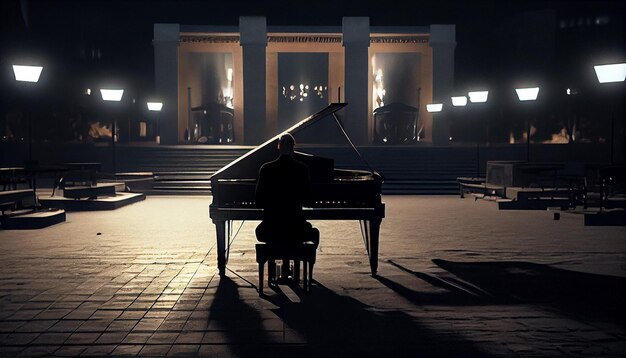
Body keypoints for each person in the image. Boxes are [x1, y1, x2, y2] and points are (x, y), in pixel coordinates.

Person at [255, 133, 320, 247]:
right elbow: (308, 201)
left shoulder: (266, 169)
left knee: (259, 232)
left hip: (271, 227)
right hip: (295, 226)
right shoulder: (302, 169)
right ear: (293, 148)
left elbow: (259, 201)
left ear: (278, 147)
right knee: (311, 231)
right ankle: (304, 254)